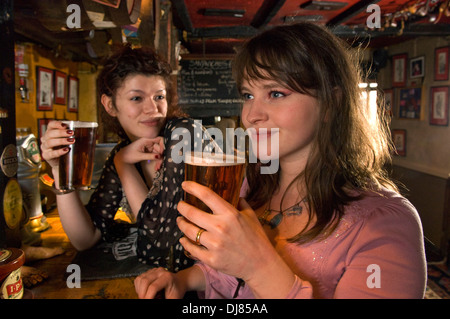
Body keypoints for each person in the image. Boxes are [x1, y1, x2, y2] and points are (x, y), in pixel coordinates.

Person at [134, 23, 427, 299]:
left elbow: (248, 267)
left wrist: (259, 267)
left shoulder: (387, 223)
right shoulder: (254, 184)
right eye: (248, 95)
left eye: (275, 93)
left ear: (331, 104)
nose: (251, 115)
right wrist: (182, 280)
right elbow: (228, 274)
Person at [40, 44, 214, 272]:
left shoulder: (184, 133)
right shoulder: (126, 150)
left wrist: (123, 164)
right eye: (136, 98)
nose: (153, 109)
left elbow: (160, 242)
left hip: (217, 285)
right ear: (110, 105)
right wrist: (59, 170)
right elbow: (86, 238)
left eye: (159, 97)